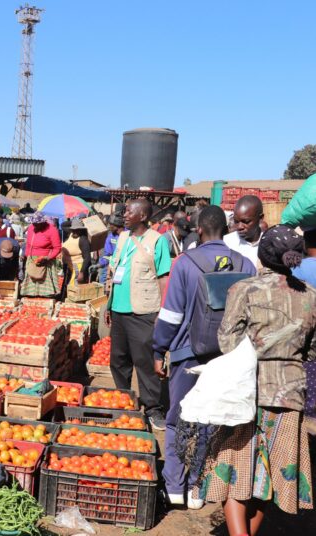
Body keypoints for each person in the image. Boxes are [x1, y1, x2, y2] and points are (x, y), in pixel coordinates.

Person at [198, 225, 315, 535]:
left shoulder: (244, 290)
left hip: (246, 390)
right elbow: (312, 349)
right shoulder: (311, 296)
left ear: (263, 254)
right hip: (289, 394)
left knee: (236, 466)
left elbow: (227, 342)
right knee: (273, 473)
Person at [152, 206, 256, 509]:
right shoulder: (246, 264)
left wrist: (159, 349)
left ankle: (174, 486)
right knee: (213, 422)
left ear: (199, 230)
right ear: (226, 229)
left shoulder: (185, 263)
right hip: (228, 358)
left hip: (187, 355)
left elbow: (171, 315)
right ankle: (200, 487)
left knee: (176, 420)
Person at [106, 198, 171, 430]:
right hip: (119, 310)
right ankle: (124, 400)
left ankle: (153, 407)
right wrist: (109, 305)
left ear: (142, 216)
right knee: (118, 360)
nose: (124, 215)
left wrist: (162, 310)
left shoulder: (157, 241)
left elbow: (164, 277)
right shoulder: (123, 238)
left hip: (143, 311)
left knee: (144, 361)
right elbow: (114, 272)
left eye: (129, 212)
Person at [21, 211, 62, 298]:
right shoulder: (31, 228)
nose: (34, 225)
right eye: (33, 223)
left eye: (37, 224)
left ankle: (47, 300)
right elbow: (28, 244)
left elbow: (57, 248)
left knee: (46, 292)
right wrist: (26, 256)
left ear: (43, 223)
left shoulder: (52, 230)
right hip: (32, 260)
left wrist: (47, 258)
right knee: (30, 290)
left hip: (46, 260)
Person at [224, 195, 264, 269]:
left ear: (260, 218)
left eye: (246, 222)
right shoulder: (226, 243)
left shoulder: (269, 245)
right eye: (236, 221)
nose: (239, 227)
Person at [61, 218, 92, 285]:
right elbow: (63, 225)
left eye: (77, 230)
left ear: (81, 230)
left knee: (73, 286)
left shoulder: (83, 239)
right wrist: (75, 221)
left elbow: (87, 258)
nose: (75, 232)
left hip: (77, 266)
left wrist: (81, 272)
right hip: (68, 265)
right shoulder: (71, 234)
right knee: (67, 286)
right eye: (73, 229)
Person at [99, 214, 123, 284]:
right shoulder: (110, 236)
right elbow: (107, 254)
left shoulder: (129, 235)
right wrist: (100, 264)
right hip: (113, 265)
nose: (109, 226)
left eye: (110, 224)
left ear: (116, 225)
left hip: (124, 267)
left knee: (118, 284)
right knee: (103, 280)